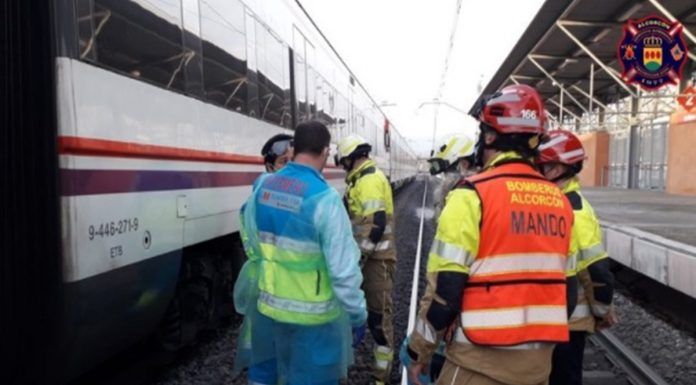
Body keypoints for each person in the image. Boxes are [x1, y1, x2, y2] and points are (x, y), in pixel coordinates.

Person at [407, 84, 575, 385]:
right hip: (537, 369)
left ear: (489, 136)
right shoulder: (559, 202)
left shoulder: (470, 196)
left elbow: (445, 293)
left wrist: (419, 350)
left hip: (479, 363)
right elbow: (569, 291)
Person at [234, 121, 368, 385]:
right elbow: (343, 272)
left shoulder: (262, 187)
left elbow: (249, 237)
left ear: (294, 149)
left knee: (264, 374)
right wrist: (357, 314)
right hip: (313, 320)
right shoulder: (326, 200)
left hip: (268, 308)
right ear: (326, 151)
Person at [399, 128, 480, 385]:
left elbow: (443, 290)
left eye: (447, 171)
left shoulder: (463, 203)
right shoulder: (488, 197)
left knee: (409, 357)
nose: (443, 181)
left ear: (465, 164)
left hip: (464, 328)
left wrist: (420, 349)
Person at [536, 130, 617, 385]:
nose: (538, 170)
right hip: (562, 320)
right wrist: (602, 311)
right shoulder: (564, 203)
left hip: (563, 322)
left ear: (560, 168)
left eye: (544, 165)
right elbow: (598, 272)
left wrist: (602, 309)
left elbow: (597, 271)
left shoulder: (575, 211)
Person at [335, 134, 397, 385]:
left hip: (377, 262)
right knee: (367, 316)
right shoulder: (359, 181)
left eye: (343, 162)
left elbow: (376, 224)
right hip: (370, 260)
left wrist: (358, 258)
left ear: (351, 158)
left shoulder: (369, 180)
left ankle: (381, 377)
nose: (342, 168)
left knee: (379, 319)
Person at [427, 129, 479, 217]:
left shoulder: (461, 197)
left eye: (448, 173)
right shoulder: (484, 188)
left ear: (464, 164)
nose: (445, 180)